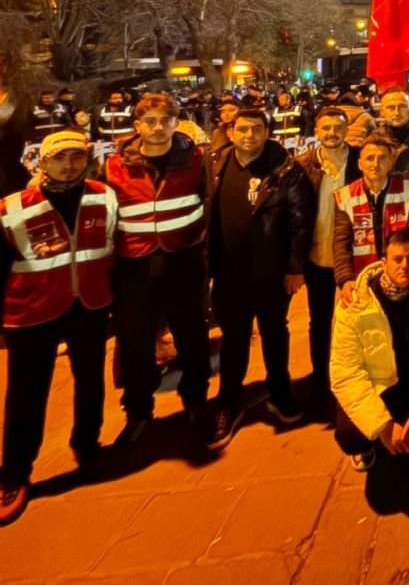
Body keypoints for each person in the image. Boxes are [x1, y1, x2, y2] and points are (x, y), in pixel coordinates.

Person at [0, 130, 116, 525]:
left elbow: (112, 244)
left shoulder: (104, 194)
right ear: (42, 162)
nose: (69, 164)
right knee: (25, 395)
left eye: (76, 156)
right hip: (33, 311)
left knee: (90, 382)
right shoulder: (13, 206)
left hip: (90, 304)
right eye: (59, 157)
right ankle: (14, 473)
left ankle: (87, 443)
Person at [102, 93, 211, 446]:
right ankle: (138, 411)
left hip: (183, 261)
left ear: (176, 123)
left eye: (165, 121)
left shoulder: (195, 159)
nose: (158, 128)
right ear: (137, 126)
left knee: (192, 336)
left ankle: (195, 400)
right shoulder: (114, 165)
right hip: (134, 266)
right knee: (135, 342)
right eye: (150, 121)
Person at [205, 108, 315, 449]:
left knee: (274, 332)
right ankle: (230, 401)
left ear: (267, 131)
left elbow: (300, 220)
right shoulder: (215, 166)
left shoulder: (284, 169)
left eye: (256, 129)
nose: (249, 135)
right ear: (231, 131)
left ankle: (279, 391)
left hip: (271, 270)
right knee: (234, 338)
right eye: (242, 129)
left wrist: (295, 268)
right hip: (228, 272)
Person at [331, 229, 409, 471]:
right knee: (351, 434)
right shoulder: (356, 304)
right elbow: (346, 373)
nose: (405, 266)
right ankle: (369, 445)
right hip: (376, 384)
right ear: (383, 262)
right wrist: (383, 427)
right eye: (397, 259)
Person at [296, 107, 360, 403]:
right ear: (317, 132)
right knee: (319, 320)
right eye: (326, 128)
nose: (332, 133)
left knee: (359, 319)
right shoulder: (301, 166)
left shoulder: (362, 161)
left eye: (338, 128)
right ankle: (320, 376)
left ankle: (357, 374)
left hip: (355, 257)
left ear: (347, 131)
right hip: (317, 256)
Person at [332, 135, 409, 305]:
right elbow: (341, 243)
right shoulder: (345, 197)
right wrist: (345, 279)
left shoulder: (408, 190)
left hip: (402, 278)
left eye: (382, 158)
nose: (375, 164)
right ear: (360, 164)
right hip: (362, 279)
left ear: (390, 163)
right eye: (370, 158)